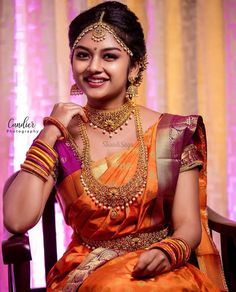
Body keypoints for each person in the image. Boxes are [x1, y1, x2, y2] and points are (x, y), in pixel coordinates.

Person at [3, 1, 226, 291]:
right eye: (83, 55)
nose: (94, 67)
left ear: (134, 66)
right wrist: (48, 131)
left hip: (161, 268)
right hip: (90, 270)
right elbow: (17, 220)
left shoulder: (170, 133)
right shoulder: (60, 138)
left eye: (109, 56)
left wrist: (167, 251)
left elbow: (188, 226)